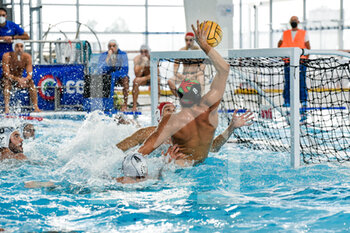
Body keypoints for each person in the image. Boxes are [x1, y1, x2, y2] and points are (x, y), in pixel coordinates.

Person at [135, 20, 231, 166]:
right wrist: (205, 46)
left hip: (180, 168)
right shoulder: (209, 107)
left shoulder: (173, 121)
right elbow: (224, 69)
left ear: (179, 98)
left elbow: (143, 151)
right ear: (199, 95)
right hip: (204, 164)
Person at [117, 101, 253, 153]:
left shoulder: (185, 135)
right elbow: (117, 150)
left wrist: (231, 128)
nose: (172, 114)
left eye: (174, 110)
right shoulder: (146, 133)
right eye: (167, 110)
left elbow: (213, 148)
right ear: (159, 116)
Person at [278, 16, 310, 109]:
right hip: (288, 61)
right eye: (292, 20)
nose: (293, 22)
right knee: (288, 81)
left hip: (301, 61)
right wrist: (282, 55)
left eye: (295, 20)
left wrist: (305, 59)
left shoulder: (303, 33)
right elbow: (279, 44)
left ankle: (303, 101)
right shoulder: (285, 33)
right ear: (290, 22)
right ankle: (287, 101)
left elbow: (308, 47)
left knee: (301, 82)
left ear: (298, 22)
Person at [2, 40, 41, 114]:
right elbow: (6, 74)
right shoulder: (7, 56)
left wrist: (24, 80)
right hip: (9, 79)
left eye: (21, 46)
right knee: (6, 83)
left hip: (20, 80)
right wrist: (18, 79)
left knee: (31, 83)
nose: (19, 48)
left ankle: (36, 107)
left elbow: (30, 74)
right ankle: (7, 108)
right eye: (17, 46)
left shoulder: (27, 57)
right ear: (14, 47)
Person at [168, 32, 206, 96]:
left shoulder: (199, 51)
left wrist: (192, 76)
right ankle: (180, 97)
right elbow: (175, 71)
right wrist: (182, 76)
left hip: (196, 76)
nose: (188, 42)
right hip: (184, 76)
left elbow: (202, 70)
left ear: (194, 40)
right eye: (186, 40)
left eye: (190, 40)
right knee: (170, 81)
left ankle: (199, 98)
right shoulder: (181, 51)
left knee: (201, 78)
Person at [98, 39, 129, 111]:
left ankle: (125, 104)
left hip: (119, 76)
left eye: (113, 46)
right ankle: (106, 104)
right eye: (110, 46)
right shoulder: (104, 55)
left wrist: (114, 75)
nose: (112, 48)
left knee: (126, 79)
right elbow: (101, 69)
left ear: (117, 47)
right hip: (108, 77)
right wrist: (108, 57)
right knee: (103, 79)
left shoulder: (123, 54)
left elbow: (125, 70)